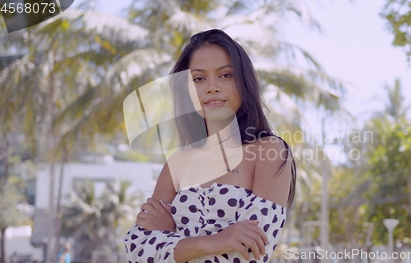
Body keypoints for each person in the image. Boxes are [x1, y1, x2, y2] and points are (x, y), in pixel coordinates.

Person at [123, 28, 296, 263]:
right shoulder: (177, 164)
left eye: (225, 75)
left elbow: (248, 254)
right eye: (198, 78)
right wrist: (213, 241)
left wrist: (171, 235)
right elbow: (137, 251)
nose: (212, 87)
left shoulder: (268, 152)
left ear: (244, 82)